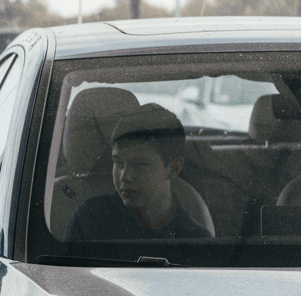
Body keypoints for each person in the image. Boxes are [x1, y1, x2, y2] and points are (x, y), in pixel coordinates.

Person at [64, 103, 213, 241]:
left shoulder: (194, 239)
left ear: (174, 168)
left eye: (140, 165)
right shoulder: (89, 218)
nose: (125, 176)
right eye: (119, 163)